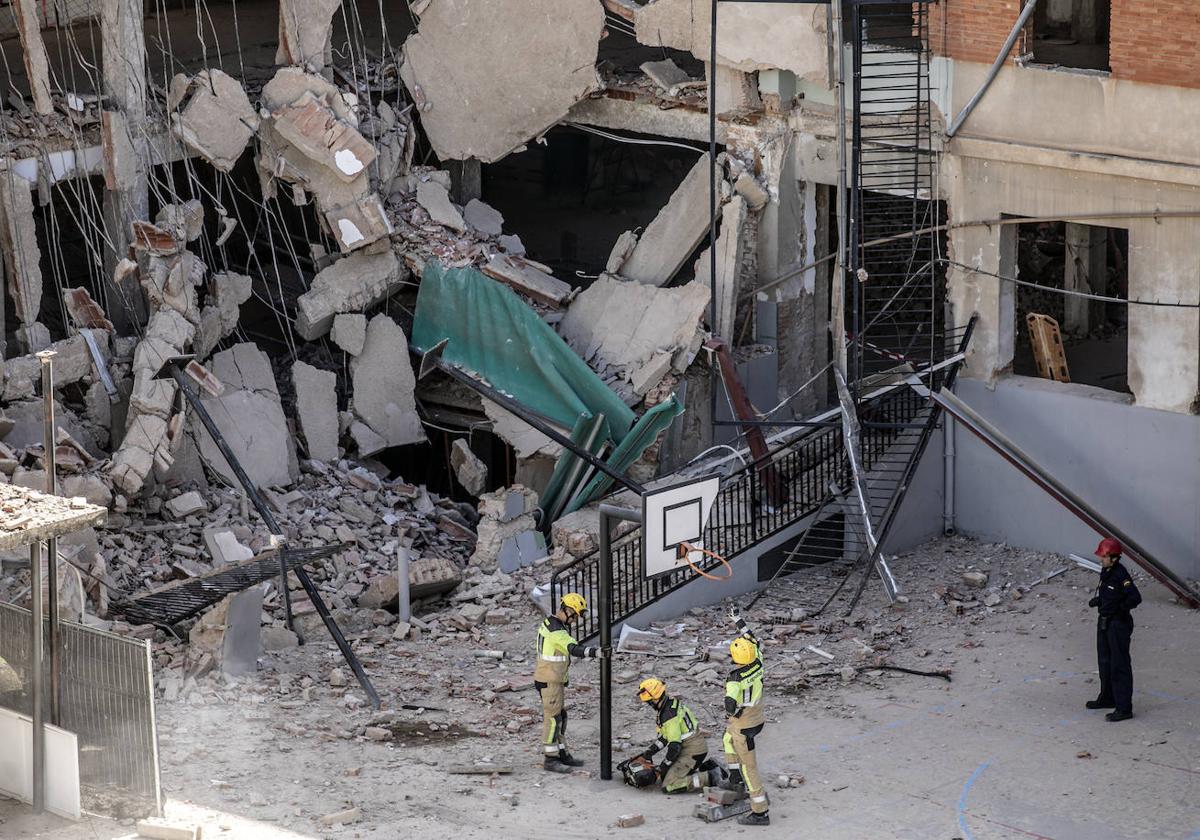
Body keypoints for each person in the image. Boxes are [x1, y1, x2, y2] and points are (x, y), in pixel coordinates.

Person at [533, 592, 607, 772]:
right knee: (553, 720)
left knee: (560, 717)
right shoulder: (556, 631)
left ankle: (562, 753)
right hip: (549, 680)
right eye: (574, 615)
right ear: (566, 610)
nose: (575, 620)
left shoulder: (553, 623)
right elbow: (572, 648)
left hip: (553, 679)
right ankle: (550, 759)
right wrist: (596, 653)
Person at [624, 678, 720, 794]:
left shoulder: (668, 715)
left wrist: (663, 765)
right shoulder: (669, 703)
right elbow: (665, 737)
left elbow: (675, 747)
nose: (649, 704)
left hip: (693, 751)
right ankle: (707, 767)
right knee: (665, 776)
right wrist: (649, 753)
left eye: (650, 701)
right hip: (693, 746)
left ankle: (711, 777)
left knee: (669, 785)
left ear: (656, 697)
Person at [722, 608, 770, 826]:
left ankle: (760, 812)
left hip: (744, 724)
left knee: (750, 768)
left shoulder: (734, 678)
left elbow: (729, 704)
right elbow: (751, 637)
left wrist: (733, 712)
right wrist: (738, 619)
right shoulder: (758, 661)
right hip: (757, 717)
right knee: (726, 738)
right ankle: (735, 779)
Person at [1086, 537, 1142, 722]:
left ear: (1114, 557)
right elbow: (1110, 593)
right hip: (1105, 622)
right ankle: (1107, 697)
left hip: (1118, 624)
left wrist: (1119, 609)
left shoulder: (1121, 575)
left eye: (1103, 556)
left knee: (1119, 665)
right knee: (1105, 662)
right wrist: (1100, 601)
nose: (1100, 559)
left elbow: (1135, 598)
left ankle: (1124, 708)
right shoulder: (1107, 571)